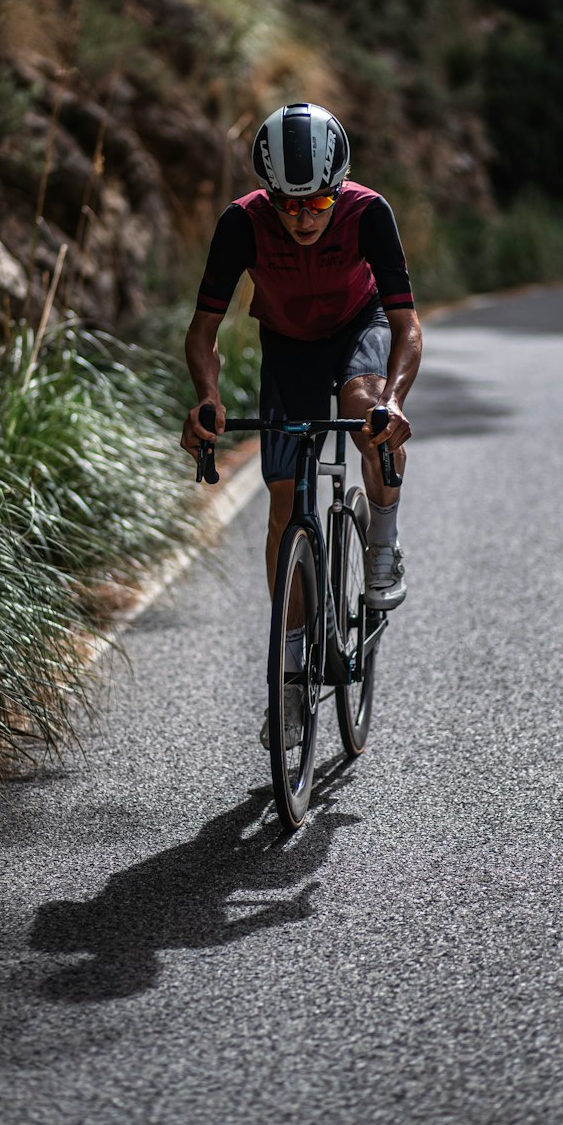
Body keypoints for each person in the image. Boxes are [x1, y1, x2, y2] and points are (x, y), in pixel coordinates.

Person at [180, 101, 422, 743]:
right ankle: (288, 685)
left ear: (337, 189)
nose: (301, 218)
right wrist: (206, 396)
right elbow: (203, 329)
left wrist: (394, 401)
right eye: (287, 205)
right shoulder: (242, 222)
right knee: (283, 508)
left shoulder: (369, 213)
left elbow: (405, 325)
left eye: (316, 204)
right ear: (268, 192)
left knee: (364, 406)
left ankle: (381, 546)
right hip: (287, 345)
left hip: (358, 327)